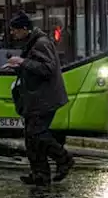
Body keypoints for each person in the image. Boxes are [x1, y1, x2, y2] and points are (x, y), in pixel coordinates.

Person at [6, 11, 74, 186]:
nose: (12, 33)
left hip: (45, 98)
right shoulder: (32, 43)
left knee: (37, 134)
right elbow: (34, 69)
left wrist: (22, 62)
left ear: (24, 29)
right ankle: (40, 174)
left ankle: (64, 158)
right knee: (31, 137)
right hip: (36, 98)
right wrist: (17, 66)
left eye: (14, 30)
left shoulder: (41, 43)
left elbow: (47, 69)